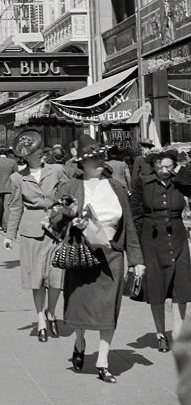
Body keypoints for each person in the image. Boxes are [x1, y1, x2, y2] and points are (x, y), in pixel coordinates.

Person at [60, 137, 145, 383]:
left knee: (109, 309)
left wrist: (136, 260)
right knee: (79, 306)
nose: (98, 162)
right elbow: (55, 220)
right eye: (92, 158)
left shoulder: (116, 187)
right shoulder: (70, 187)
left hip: (111, 255)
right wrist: (70, 220)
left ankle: (103, 362)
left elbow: (128, 224)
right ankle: (79, 342)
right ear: (82, 163)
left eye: (100, 157)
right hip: (81, 255)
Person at [4, 138, 67, 341]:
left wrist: (63, 212)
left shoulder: (56, 170)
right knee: (36, 278)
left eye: (40, 150)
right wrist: (9, 235)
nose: (40, 153)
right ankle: (40, 319)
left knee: (57, 279)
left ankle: (52, 313)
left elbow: (69, 194)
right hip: (31, 233)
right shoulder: (17, 178)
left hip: (56, 230)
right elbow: (15, 207)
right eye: (34, 151)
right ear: (25, 155)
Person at [130, 148, 191, 352]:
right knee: (156, 289)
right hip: (151, 240)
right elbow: (135, 214)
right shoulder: (142, 183)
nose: (164, 170)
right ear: (153, 166)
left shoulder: (180, 183)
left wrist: (181, 167)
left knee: (180, 288)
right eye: (160, 166)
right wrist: (136, 248)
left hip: (178, 239)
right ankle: (160, 335)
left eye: (168, 166)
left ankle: (177, 334)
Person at [0, 148, 18, 232]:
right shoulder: (12, 162)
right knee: (7, 207)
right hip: (10, 187)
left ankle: (3, 223)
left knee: (1, 207)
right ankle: (5, 225)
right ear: (6, 153)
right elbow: (16, 175)